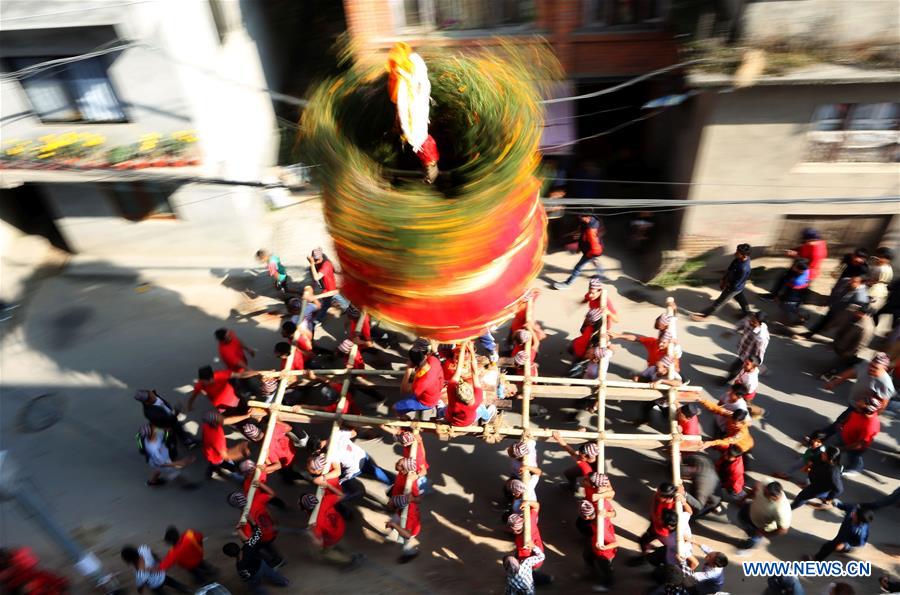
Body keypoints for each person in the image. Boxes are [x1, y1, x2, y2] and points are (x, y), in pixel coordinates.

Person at [299, 493, 365, 569]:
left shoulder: (315, 523)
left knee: (324, 552)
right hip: (340, 527)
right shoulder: (326, 499)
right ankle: (351, 553)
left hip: (331, 537)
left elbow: (318, 543)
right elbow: (342, 496)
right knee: (338, 541)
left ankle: (349, 560)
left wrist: (310, 534)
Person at [222, 524, 289, 593]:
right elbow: (258, 533)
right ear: (238, 546)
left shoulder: (240, 566)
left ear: (230, 556)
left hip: (254, 574)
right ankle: (283, 581)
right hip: (261, 564)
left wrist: (247, 580)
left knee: (256, 586)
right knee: (272, 573)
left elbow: (246, 577)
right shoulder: (248, 546)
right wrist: (245, 528)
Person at [691, 243, 752, 320]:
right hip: (737, 286)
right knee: (740, 298)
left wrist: (727, 285)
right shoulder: (738, 259)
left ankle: (704, 316)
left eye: (737, 253)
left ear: (744, 256)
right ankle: (747, 313)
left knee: (719, 302)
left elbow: (736, 283)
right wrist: (723, 279)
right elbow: (730, 269)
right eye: (736, 251)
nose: (735, 254)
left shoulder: (744, 268)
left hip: (733, 288)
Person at [765, 228, 827, 299]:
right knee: (784, 279)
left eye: (805, 240)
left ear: (811, 239)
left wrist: (795, 255)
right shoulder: (814, 242)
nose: (804, 242)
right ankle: (774, 296)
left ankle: (785, 300)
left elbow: (806, 266)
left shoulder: (817, 253)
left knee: (794, 287)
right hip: (798, 266)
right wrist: (794, 249)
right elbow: (803, 247)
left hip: (804, 272)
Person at [802, 276, 870, 340]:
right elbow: (839, 295)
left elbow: (862, 306)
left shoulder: (861, 295)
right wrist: (829, 303)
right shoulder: (848, 284)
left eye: (853, 282)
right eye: (851, 281)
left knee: (841, 330)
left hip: (846, 315)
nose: (850, 283)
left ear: (859, 283)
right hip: (836, 309)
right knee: (823, 322)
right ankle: (809, 334)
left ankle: (835, 344)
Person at [228, 491, 284, 568]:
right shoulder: (257, 500)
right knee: (270, 546)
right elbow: (271, 494)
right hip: (272, 530)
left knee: (260, 549)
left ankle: (275, 561)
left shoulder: (244, 518)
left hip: (263, 537)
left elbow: (249, 541)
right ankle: (279, 559)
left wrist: (239, 531)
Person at [735, 481, 791, 553]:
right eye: (764, 490)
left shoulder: (782, 510)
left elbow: (783, 530)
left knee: (754, 537)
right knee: (742, 519)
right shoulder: (766, 485)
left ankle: (747, 548)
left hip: (759, 527)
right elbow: (756, 487)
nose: (763, 492)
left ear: (774, 497)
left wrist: (764, 534)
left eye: (765, 493)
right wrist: (743, 499)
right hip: (750, 510)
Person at [822, 306, 875, 379]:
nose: (857, 313)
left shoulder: (865, 327)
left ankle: (831, 375)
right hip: (842, 343)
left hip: (848, 348)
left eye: (860, 313)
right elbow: (841, 323)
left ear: (865, 314)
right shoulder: (854, 315)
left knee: (842, 362)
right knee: (842, 360)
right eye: (858, 311)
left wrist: (850, 352)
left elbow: (861, 344)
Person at [553, 215, 605, 289]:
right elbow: (582, 234)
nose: (580, 218)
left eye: (582, 217)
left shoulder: (591, 230)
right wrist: (580, 247)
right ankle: (601, 274)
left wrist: (588, 254)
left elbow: (595, 247)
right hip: (591, 249)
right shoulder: (588, 222)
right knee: (594, 260)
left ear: (588, 217)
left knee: (578, 267)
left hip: (592, 251)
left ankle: (568, 284)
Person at [394, 346, 445, 417]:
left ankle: (403, 417)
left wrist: (408, 369)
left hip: (426, 402)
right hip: (435, 392)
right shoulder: (433, 360)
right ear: (424, 356)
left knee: (396, 407)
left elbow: (403, 390)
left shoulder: (421, 383)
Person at [507, 510, 553, 586]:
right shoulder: (530, 521)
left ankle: (546, 579)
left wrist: (518, 568)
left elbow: (525, 560)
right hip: (534, 553)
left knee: (529, 576)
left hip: (534, 559)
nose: (512, 532)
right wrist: (528, 503)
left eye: (514, 530)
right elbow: (535, 507)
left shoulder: (525, 543)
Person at [580, 501, 617, 593]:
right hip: (595, 545)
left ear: (587, 517)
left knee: (605, 568)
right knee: (587, 556)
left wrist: (604, 548)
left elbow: (616, 543)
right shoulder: (598, 510)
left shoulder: (602, 529)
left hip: (605, 553)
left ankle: (608, 584)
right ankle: (592, 574)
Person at [120, 545, 190, 593]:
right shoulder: (143, 549)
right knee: (175, 583)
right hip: (163, 576)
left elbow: (140, 585)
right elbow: (154, 555)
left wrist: (140, 591)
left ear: (128, 560)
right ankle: (188, 590)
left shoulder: (140, 574)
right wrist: (158, 563)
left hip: (155, 585)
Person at [201, 411, 249, 480]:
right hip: (217, 458)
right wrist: (242, 452)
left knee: (213, 464)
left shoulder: (206, 425)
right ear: (215, 422)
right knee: (231, 467)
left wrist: (246, 416)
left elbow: (228, 420)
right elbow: (226, 456)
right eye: (218, 417)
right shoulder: (217, 440)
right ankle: (240, 477)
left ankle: (211, 471)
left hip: (209, 452)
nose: (221, 417)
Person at [724, 311, 770, 381]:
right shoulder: (750, 318)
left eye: (754, 322)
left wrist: (754, 363)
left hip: (749, 355)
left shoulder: (762, 337)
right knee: (740, 361)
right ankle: (762, 369)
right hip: (743, 347)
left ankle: (725, 380)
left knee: (735, 368)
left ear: (760, 324)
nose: (751, 322)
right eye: (752, 319)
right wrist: (732, 331)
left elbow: (760, 352)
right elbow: (741, 323)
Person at [681, 454, 722, 519]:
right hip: (712, 484)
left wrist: (684, 493)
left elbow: (699, 505)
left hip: (712, 499)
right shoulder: (699, 460)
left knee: (698, 510)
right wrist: (681, 458)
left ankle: (693, 518)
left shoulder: (702, 486)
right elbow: (690, 457)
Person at [385, 494, 422, 563]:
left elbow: (408, 535)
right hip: (404, 518)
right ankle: (393, 536)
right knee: (394, 519)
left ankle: (411, 553)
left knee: (405, 543)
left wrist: (394, 525)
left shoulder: (408, 518)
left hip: (411, 531)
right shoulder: (407, 501)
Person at [867, 247, 894, 312]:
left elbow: (873, 281)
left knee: (863, 311)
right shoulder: (889, 268)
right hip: (882, 292)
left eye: (879, 256)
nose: (877, 258)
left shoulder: (879, 268)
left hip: (873, 291)